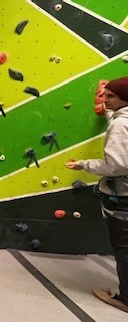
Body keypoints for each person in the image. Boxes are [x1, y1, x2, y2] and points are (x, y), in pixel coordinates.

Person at [66, 76, 128, 314]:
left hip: (122, 193)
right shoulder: (122, 119)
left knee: (123, 248)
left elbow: (116, 165)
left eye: (111, 96)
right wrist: (108, 113)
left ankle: (126, 299)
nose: (105, 99)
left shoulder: (120, 125)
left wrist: (84, 164)